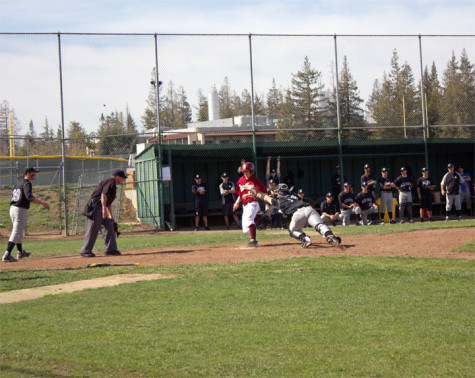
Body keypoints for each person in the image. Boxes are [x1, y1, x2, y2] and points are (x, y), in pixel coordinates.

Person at [249, 183, 342, 249]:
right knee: (319, 225)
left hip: (297, 214)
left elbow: (265, 197)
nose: (275, 192)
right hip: (309, 209)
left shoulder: (278, 200)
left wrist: (256, 193)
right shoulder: (294, 195)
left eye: (276, 191)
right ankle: (331, 236)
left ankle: (306, 239)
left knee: (292, 231)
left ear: (279, 192)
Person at [2, 167, 50, 262]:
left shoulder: (19, 182)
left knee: (19, 231)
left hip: (13, 208)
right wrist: (42, 202)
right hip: (19, 209)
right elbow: (29, 197)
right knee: (16, 232)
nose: (35, 174)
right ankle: (7, 254)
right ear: (28, 173)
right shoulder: (27, 183)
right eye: (33, 173)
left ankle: (20, 252)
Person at [79, 170, 127, 258]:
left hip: (101, 208)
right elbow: (103, 195)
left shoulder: (113, 184)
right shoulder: (110, 182)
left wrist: (110, 214)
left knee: (109, 226)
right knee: (93, 228)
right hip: (96, 208)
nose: (123, 180)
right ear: (117, 177)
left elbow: (108, 201)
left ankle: (110, 249)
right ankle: (85, 250)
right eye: (122, 178)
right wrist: (104, 210)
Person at [233, 162, 267, 247]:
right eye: (244, 171)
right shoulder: (240, 180)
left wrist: (248, 194)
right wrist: (237, 202)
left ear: (252, 171)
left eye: (247, 171)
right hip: (245, 205)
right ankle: (259, 217)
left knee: (249, 219)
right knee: (245, 230)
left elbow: (259, 192)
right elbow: (241, 194)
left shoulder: (255, 180)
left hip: (253, 203)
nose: (245, 173)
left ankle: (253, 241)